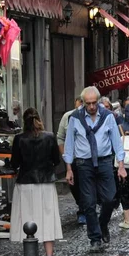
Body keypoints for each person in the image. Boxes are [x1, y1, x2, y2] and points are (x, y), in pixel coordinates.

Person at [63, 86, 127, 252]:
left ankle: (102, 224)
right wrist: (69, 168)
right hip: (84, 164)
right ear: (83, 102)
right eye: (88, 103)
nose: (91, 107)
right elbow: (69, 143)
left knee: (110, 198)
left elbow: (116, 141)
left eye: (94, 103)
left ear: (98, 101)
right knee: (89, 203)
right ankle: (95, 238)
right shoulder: (75, 118)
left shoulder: (107, 117)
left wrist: (121, 165)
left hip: (105, 161)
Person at [10, 108, 63, 256]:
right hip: (46, 182)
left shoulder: (19, 139)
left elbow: (14, 163)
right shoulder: (49, 137)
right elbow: (56, 160)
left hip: (25, 183)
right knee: (48, 219)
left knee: (27, 220)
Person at [56, 96, 85, 224]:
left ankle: (85, 210)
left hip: (87, 157)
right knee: (75, 185)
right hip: (72, 158)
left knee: (88, 184)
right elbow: (60, 137)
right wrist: (65, 155)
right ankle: (82, 206)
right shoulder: (67, 117)